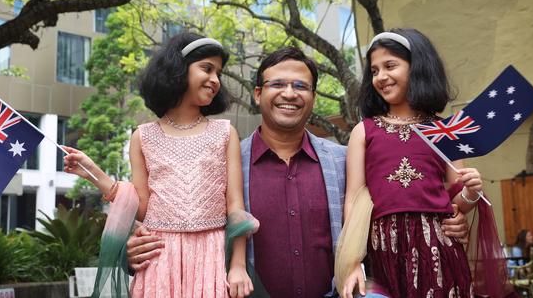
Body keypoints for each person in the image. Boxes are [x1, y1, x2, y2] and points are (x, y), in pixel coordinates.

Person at [126, 46, 471, 298]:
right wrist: (134, 246)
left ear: (313, 98)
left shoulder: (344, 161)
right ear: (259, 94)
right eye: (277, 85)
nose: (289, 94)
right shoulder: (224, 160)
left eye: (301, 86)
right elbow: (171, 210)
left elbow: (401, 201)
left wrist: (453, 218)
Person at [63, 32, 255, 298]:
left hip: (210, 257)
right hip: (159, 259)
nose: (215, 80)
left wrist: (237, 266)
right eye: (207, 69)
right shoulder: (142, 136)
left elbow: (235, 205)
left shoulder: (225, 133)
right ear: (178, 69)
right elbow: (141, 207)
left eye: (218, 73)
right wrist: (95, 174)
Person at [341, 29, 493, 297]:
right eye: (374, 71)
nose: (381, 77)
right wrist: (352, 262)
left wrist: (471, 191)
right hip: (383, 249)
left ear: (418, 67)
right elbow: (353, 198)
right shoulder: (364, 131)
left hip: (439, 249)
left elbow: (457, 203)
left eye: (390, 66)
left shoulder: (445, 130)